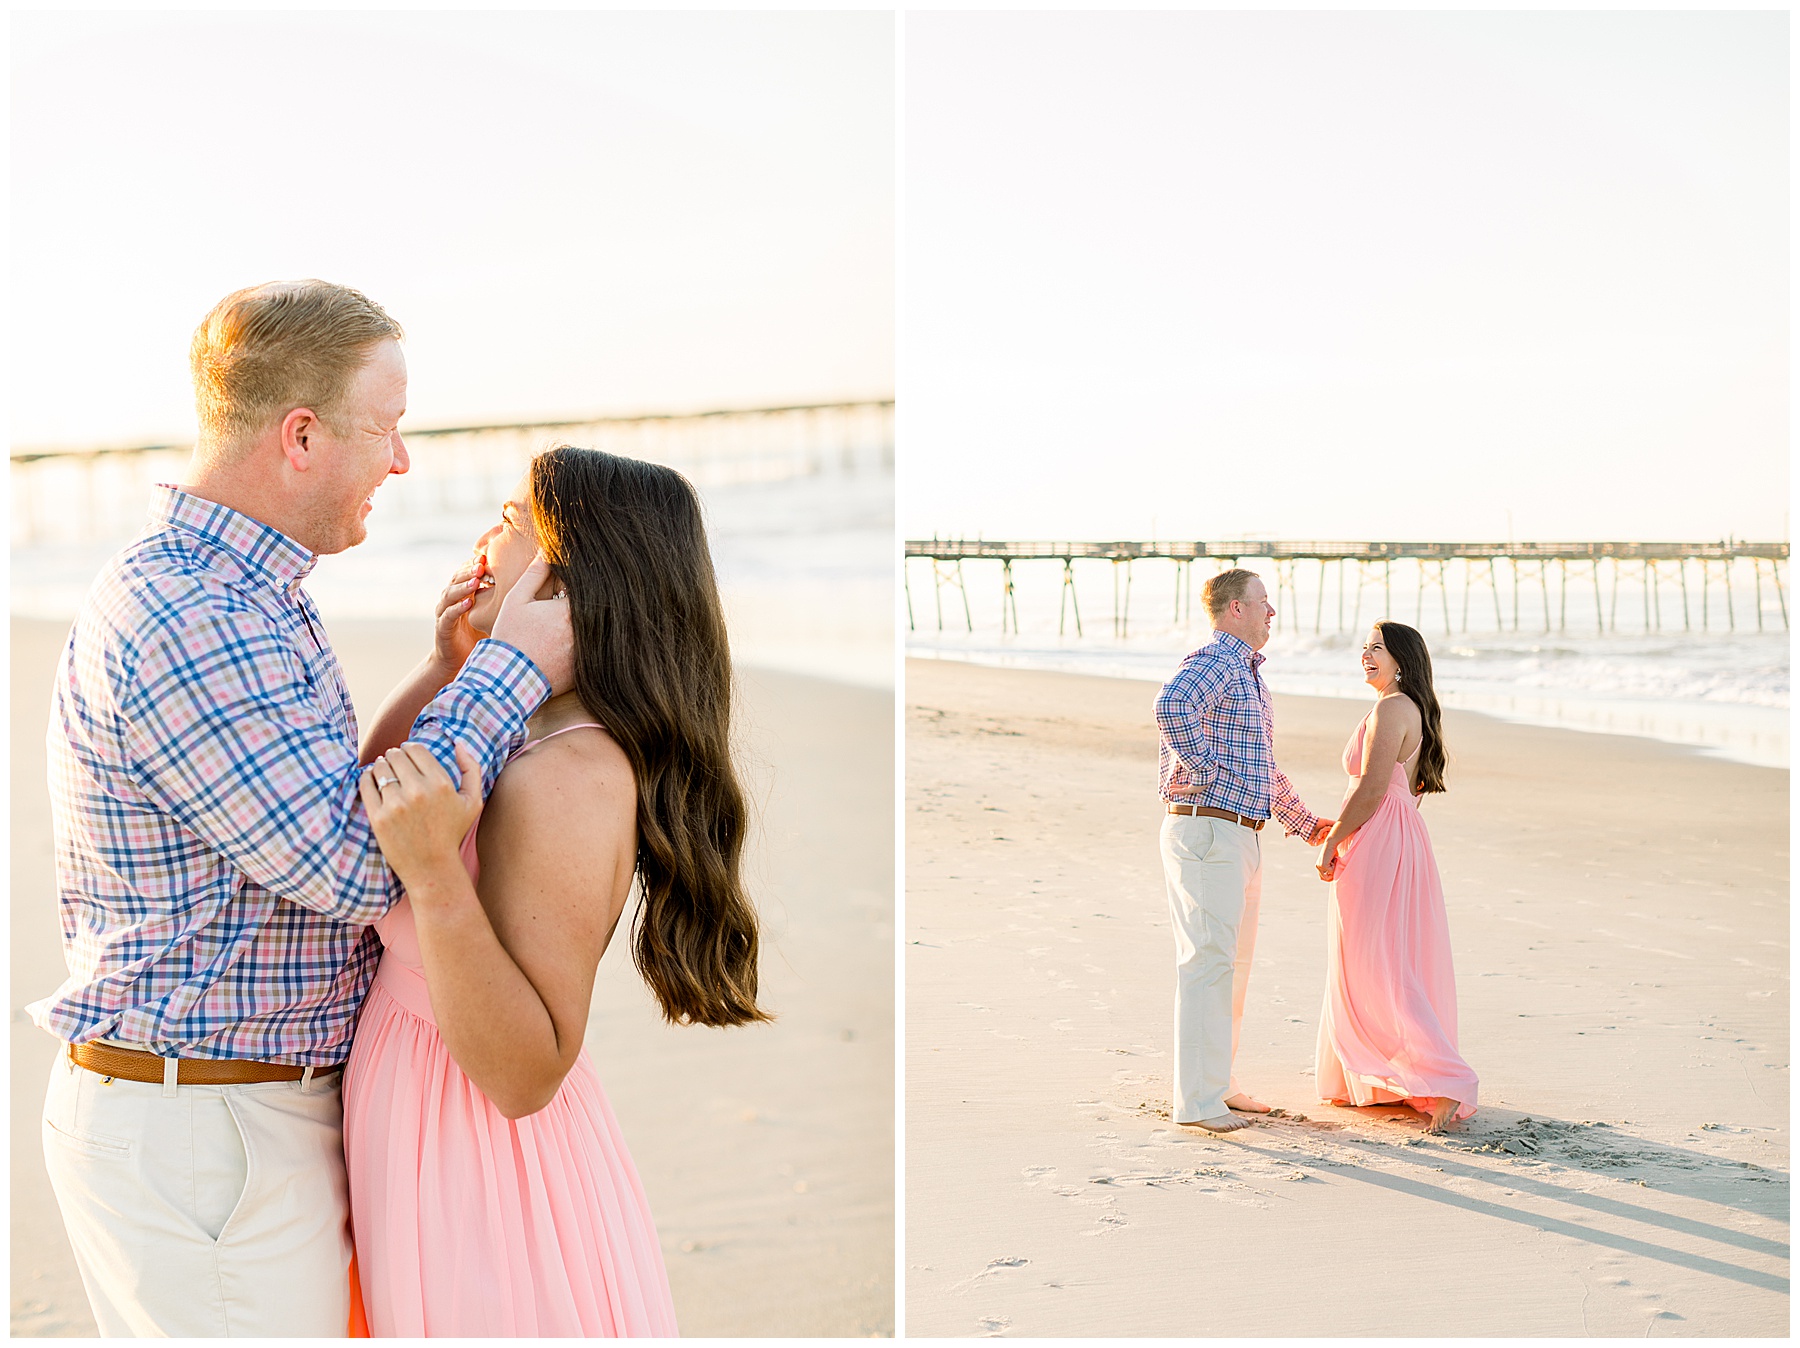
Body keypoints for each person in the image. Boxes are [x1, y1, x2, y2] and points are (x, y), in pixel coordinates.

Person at [31, 280, 574, 1337]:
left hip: (226, 1117)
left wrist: (443, 669)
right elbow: (363, 864)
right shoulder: (194, 613)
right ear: (302, 434)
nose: (403, 460)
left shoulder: (244, 592)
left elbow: (336, 805)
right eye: (388, 427)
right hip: (207, 1134)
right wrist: (513, 669)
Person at [342, 446, 768, 1336]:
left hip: (479, 1168)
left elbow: (529, 1070)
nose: (483, 540)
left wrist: (434, 881)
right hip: (429, 1135)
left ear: (565, 581)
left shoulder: (569, 775)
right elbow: (368, 803)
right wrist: (446, 666)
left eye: (507, 519)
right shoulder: (520, 728)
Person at [1153, 568, 1332, 1133]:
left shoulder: (1248, 676)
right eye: (1262, 603)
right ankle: (1197, 1103)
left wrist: (1304, 824)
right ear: (1235, 610)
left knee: (1232, 967)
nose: (1271, 612)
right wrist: (1206, 771)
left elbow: (1262, 766)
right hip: (1208, 830)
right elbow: (1170, 708)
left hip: (1240, 833)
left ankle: (1218, 1085)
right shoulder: (1217, 661)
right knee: (1207, 964)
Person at [1313, 620, 1478, 1133]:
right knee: (1385, 956)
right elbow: (1406, 792)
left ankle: (1446, 1080)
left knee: (1373, 961)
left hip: (1378, 838)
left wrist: (1334, 839)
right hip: (1399, 837)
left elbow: (1372, 790)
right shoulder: (1410, 708)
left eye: (1377, 649)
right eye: (1363, 648)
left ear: (1402, 658)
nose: (1365, 655)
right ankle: (1377, 1080)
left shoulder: (1391, 707)